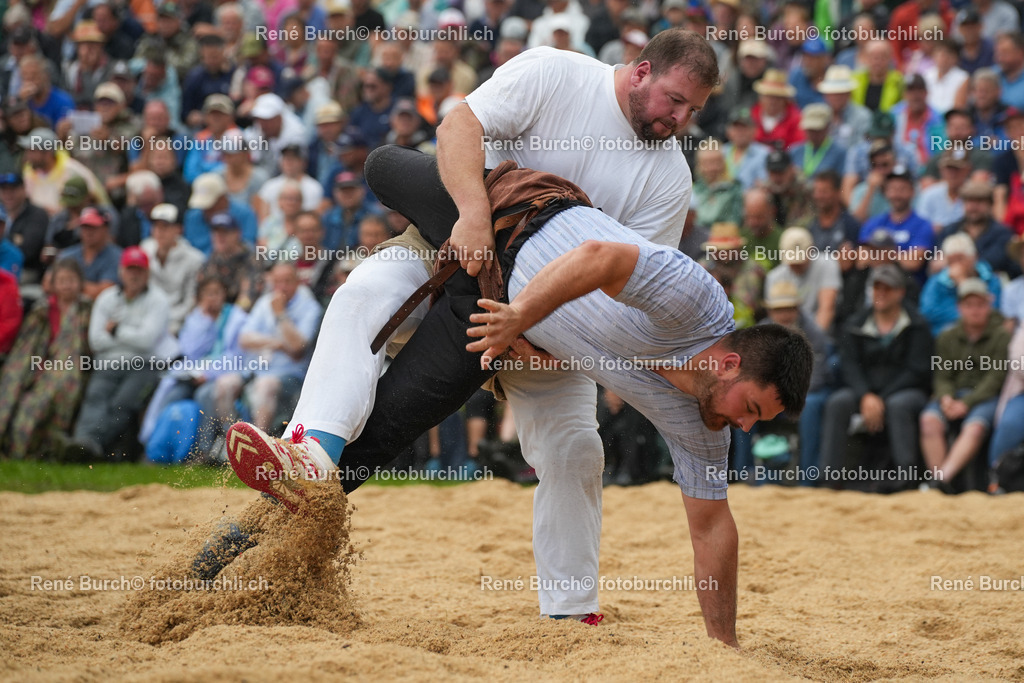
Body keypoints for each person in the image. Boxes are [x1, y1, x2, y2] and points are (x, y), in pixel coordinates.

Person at [204, 28, 734, 629]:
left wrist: (530, 331)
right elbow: (458, 127)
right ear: (641, 72)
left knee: (575, 451)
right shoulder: (555, 73)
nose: (680, 120)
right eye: (674, 101)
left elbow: (626, 289)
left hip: (549, 326)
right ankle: (315, 454)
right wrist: (474, 217)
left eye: (694, 111)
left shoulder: (668, 177)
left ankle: (572, 614)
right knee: (362, 295)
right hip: (457, 246)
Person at [225, 148, 814, 649]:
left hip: (481, 314)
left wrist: (725, 648)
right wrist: (511, 299)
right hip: (501, 228)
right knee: (380, 171)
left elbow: (713, 528)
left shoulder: (703, 425)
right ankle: (308, 451)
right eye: (752, 409)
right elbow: (598, 257)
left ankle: (236, 550)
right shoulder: (699, 301)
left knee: (385, 437)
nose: (741, 426)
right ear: (728, 363)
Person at [821, 264, 933, 488]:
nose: (880, 293)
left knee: (898, 405)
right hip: (866, 392)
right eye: (876, 288)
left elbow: (917, 370)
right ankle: (828, 480)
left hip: (905, 391)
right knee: (837, 403)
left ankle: (906, 480)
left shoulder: (917, 325)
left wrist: (880, 398)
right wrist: (866, 396)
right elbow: (849, 364)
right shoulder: (855, 323)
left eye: (887, 288)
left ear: (900, 292)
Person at [67, 246, 170, 460]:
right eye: (130, 269)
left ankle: (92, 445)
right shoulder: (106, 298)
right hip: (108, 362)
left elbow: (147, 341)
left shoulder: (159, 300)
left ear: (147, 273)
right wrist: (131, 336)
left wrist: (116, 330)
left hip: (143, 364)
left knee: (122, 403)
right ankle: (83, 443)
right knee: (95, 398)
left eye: (139, 270)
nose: (134, 275)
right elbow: (96, 341)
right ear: (121, 272)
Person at [921, 277, 1011, 488]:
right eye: (969, 305)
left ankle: (941, 480)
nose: (975, 310)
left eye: (980, 304)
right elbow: (942, 375)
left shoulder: (1001, 337)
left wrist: (966, 403)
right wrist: (946, 398)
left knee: (975, 427)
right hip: (954, 395)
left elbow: (995, 379)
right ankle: (940, 482)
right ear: (959, 307)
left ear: (989, 304)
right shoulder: (947, 336)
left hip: (984, 398)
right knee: (928, 421)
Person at [0, 258, 89, 460]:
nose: (67, 285)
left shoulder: (86, 310)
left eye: (71, 280)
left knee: (41, 401)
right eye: (62, 280)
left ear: (80, 282)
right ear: (53, 283)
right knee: (11, 389)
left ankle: (40, 451)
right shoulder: (42, 311)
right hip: (36, 367)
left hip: (69, 369)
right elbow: (24, 349)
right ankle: (12, 449)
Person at [139, 203, 204, 335]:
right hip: (145, 318)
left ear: (178, 229)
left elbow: (190, 301)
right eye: (156, 226)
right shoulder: (145, 249)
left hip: (178, 322)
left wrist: (167, 321)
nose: (159, 231)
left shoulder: (194, 259)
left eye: (165, 227)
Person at [921, 233, 1002, 337]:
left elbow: (991, 312)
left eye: (960, 259)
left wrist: (963, 283)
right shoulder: (936, 282)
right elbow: (928, 312)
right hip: (942, 337)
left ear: (974, 257)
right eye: (951, 261)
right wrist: (969, 315)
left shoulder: (991, 280)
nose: (956, 264)